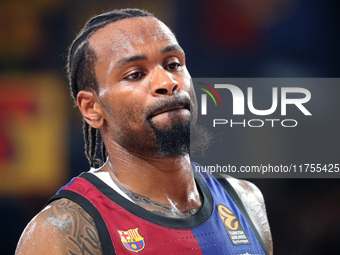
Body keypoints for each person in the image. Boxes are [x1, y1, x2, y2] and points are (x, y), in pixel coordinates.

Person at [15, 8, 273, 255]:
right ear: (92, 108)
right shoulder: (63, 230)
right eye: (135, 74)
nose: (167, 83)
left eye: (173, 65)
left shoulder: (245, 199)